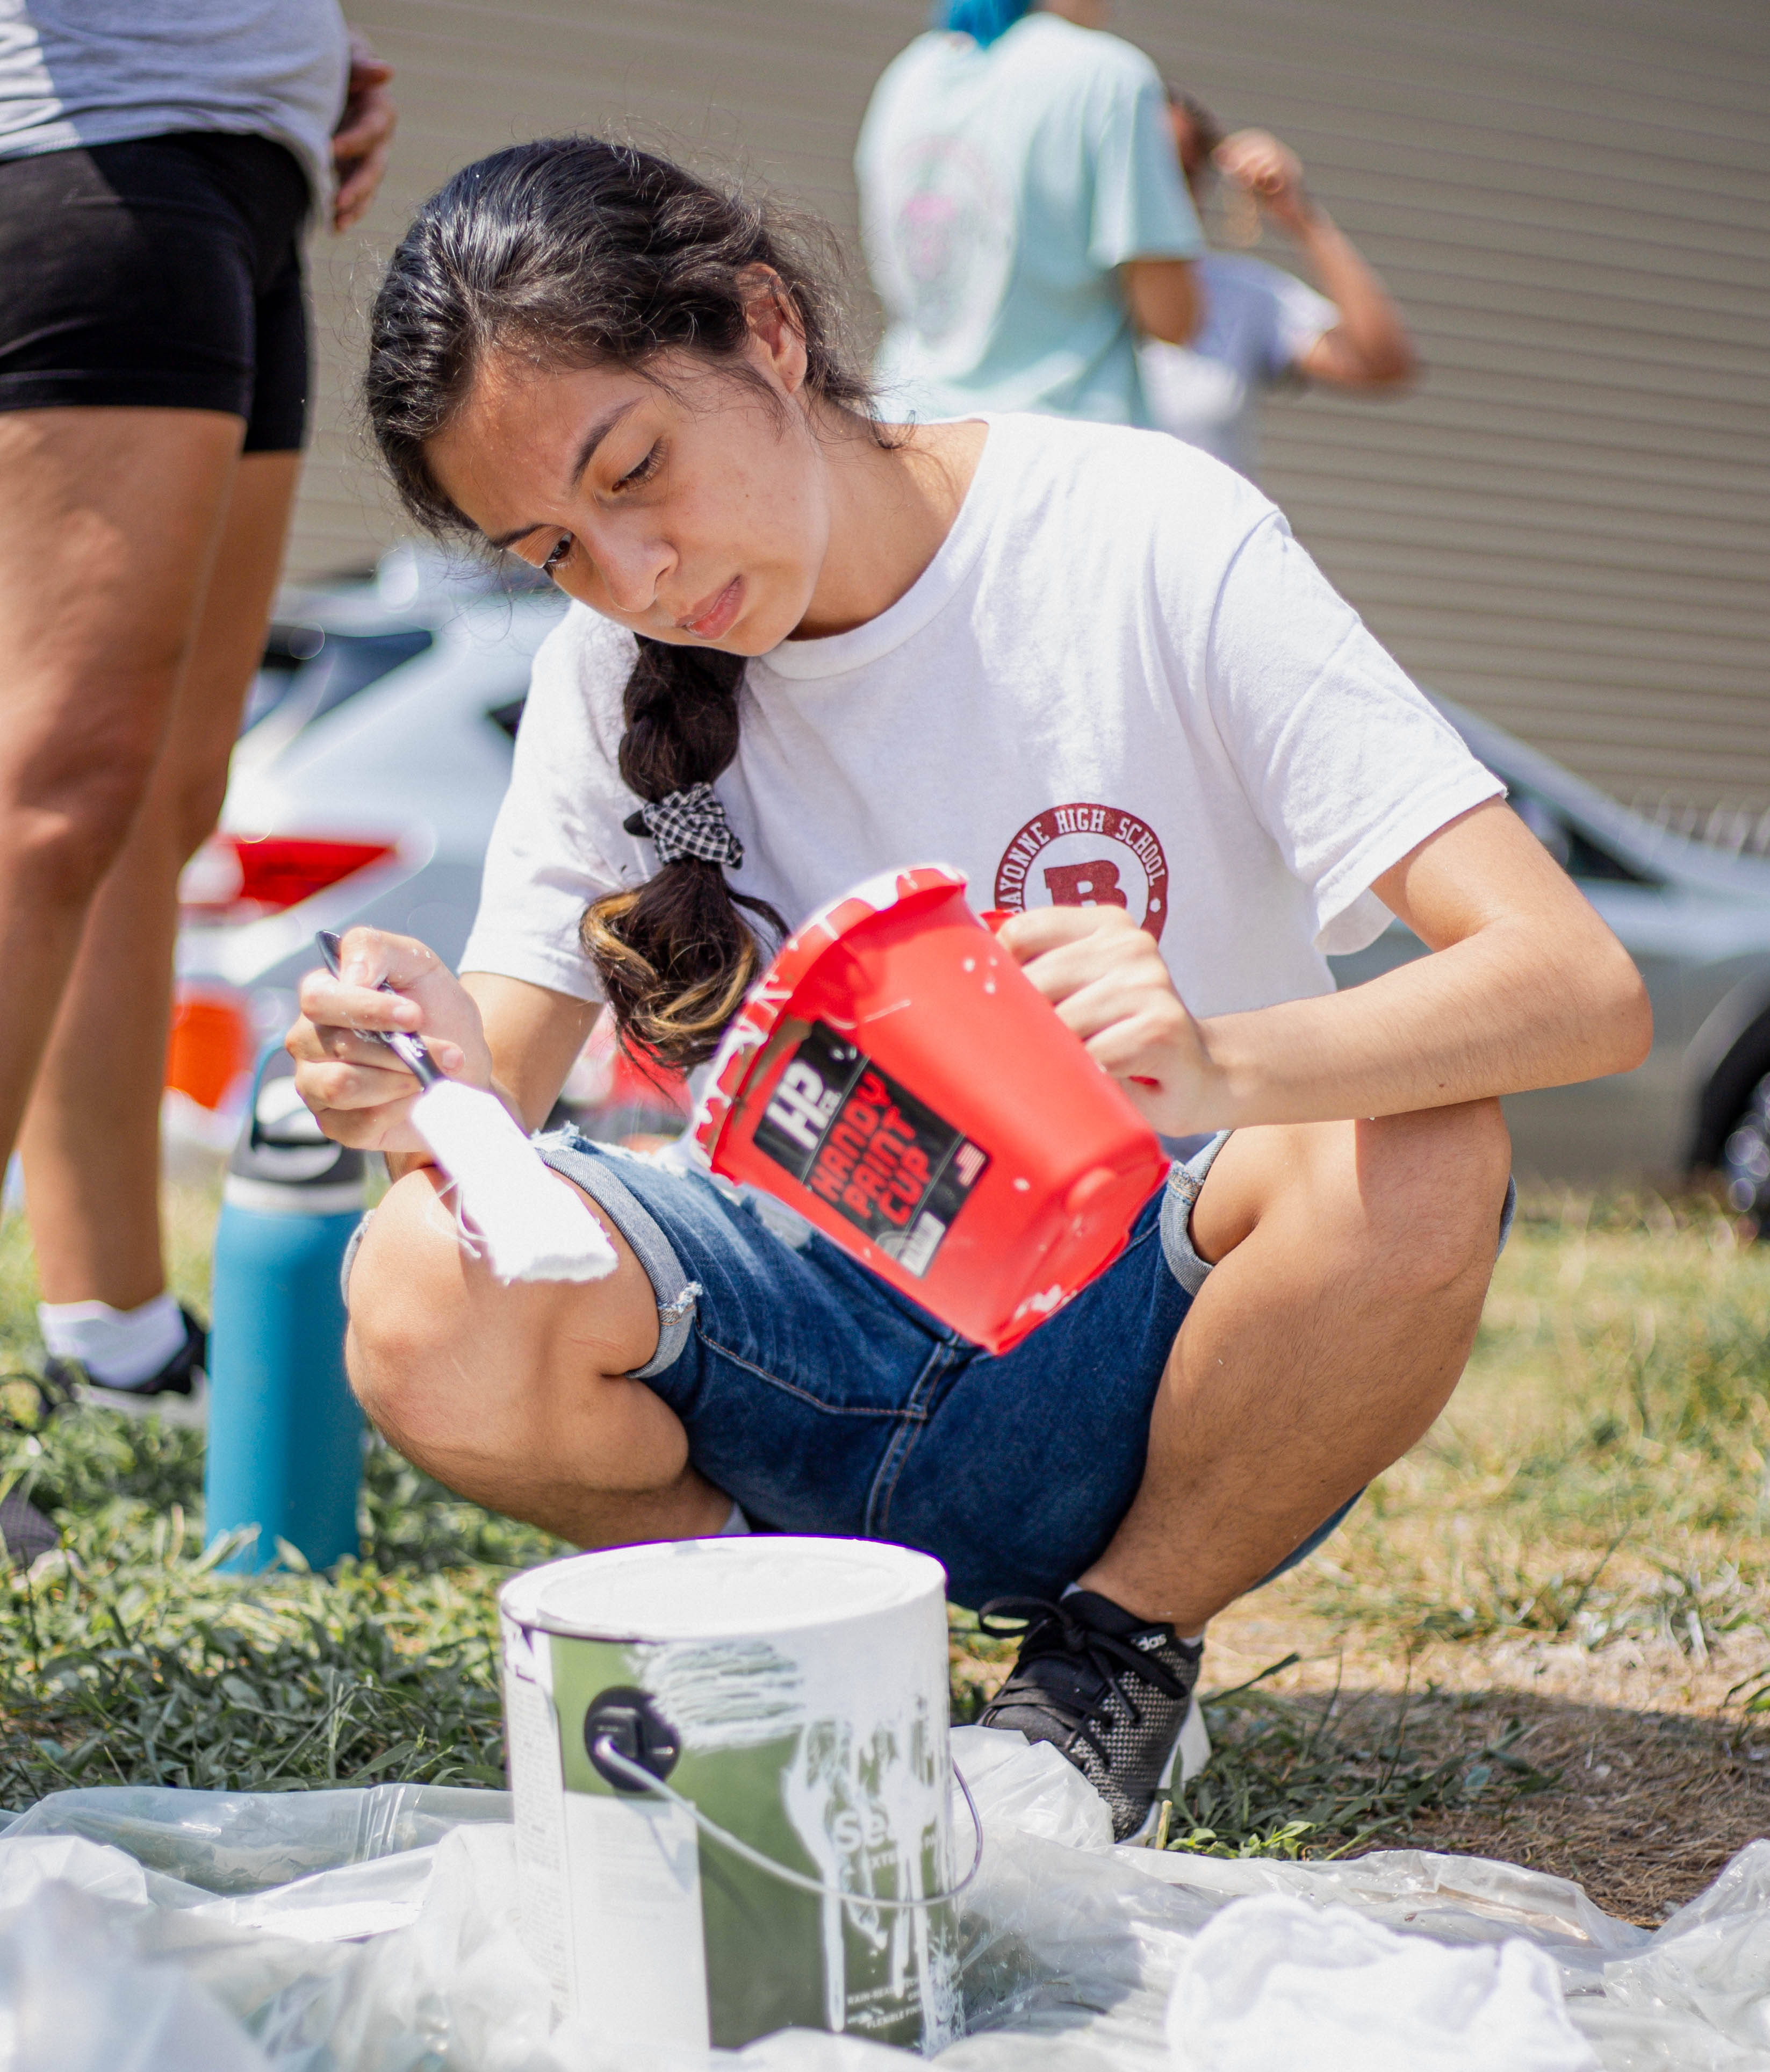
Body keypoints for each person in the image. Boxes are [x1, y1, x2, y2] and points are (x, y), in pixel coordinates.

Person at [290, 139, 1648, 1841]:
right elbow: (488, 1106)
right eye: (554, 546)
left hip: (1150, 1361)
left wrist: (1216, 1061)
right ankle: (791, 1639)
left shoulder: (1144, 533)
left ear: (766, 328)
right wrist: (413, 1072)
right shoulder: (607, 672)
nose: (633, 575)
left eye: (635, 469)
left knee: (1424, 1138)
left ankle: (1109, 1660)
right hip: (801, 1346)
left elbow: (1574, 980)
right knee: (415, 1274)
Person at [0, 2, 396, 1425]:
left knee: (158, 795)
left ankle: (115, 1335)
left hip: (245, 163)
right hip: (92, 152)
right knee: (50, 800)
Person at [856, 0, 1200, 425]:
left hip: (911, 427)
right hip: (1061, 440)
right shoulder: (1109, 75)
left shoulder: (908, 73)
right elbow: (1172, 319)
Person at [1140, 95, 1416, 482]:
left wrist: (1300, 217)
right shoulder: (1055, 289)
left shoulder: (1239, 296)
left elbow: (1378, 361)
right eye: (1141, 165)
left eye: (1178, 172)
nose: (1154, 190)